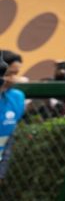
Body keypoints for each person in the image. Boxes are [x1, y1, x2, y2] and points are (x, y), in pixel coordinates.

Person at [0, 50, 25, 181]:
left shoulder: (17, 97)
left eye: (16, 74)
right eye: (10, 74)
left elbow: (8, 136)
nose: (14, 79)